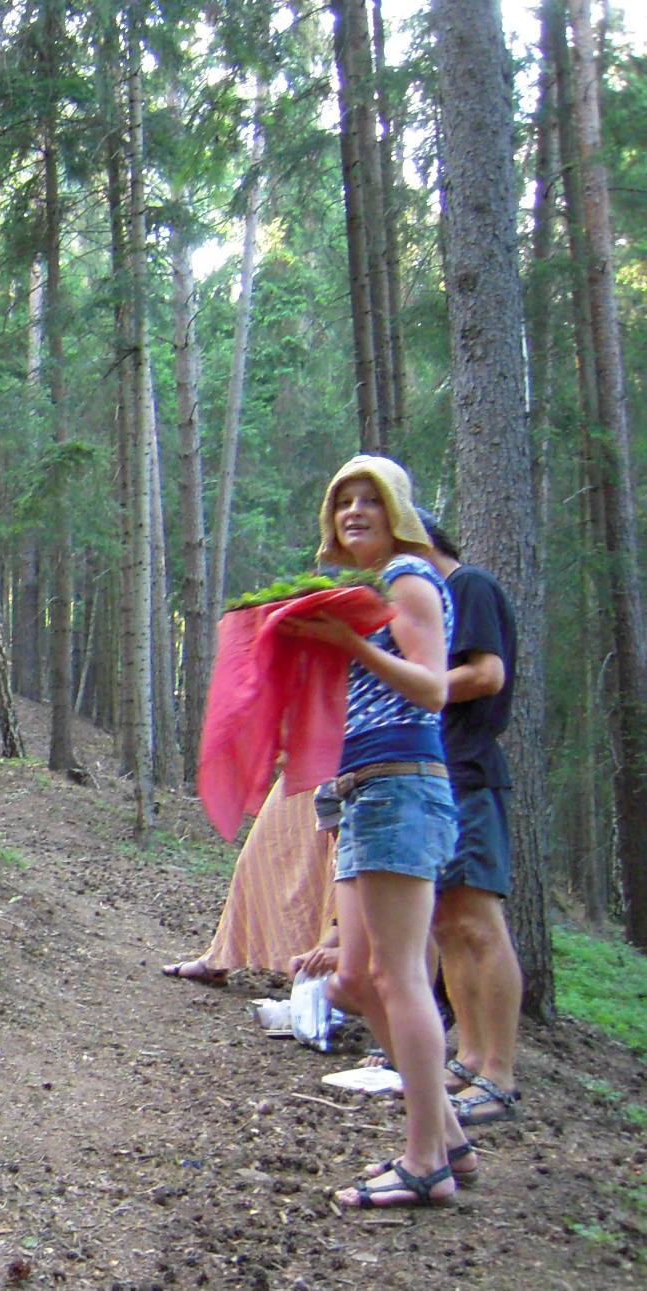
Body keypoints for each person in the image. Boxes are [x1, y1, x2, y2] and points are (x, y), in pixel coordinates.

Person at [282, 454, 470, 1209]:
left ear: (399, 511)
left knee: (399, 975)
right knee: (357, 979)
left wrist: (353, 644)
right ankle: (449, 1135)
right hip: (361, 789)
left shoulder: (408, 580)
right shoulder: (362, 592)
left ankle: (426, 1162)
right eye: (342, 501)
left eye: (371, 499)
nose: (354, 511)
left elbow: (433, 688)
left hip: (402, 784)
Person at [419, 509, 524, 1128]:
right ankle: (470, 1058)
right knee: (447, 923)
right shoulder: (429, 601)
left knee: (478, 922)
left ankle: (500, 1076)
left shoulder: (469, 585)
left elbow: (487, 673)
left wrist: (412, 681)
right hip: (436, 775)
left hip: (470, 773)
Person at [162, 780, 337, 984]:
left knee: (338, 869)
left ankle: (334, 972)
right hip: (311, 773)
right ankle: (219, 957)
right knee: (260, 856)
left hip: (353, 774)